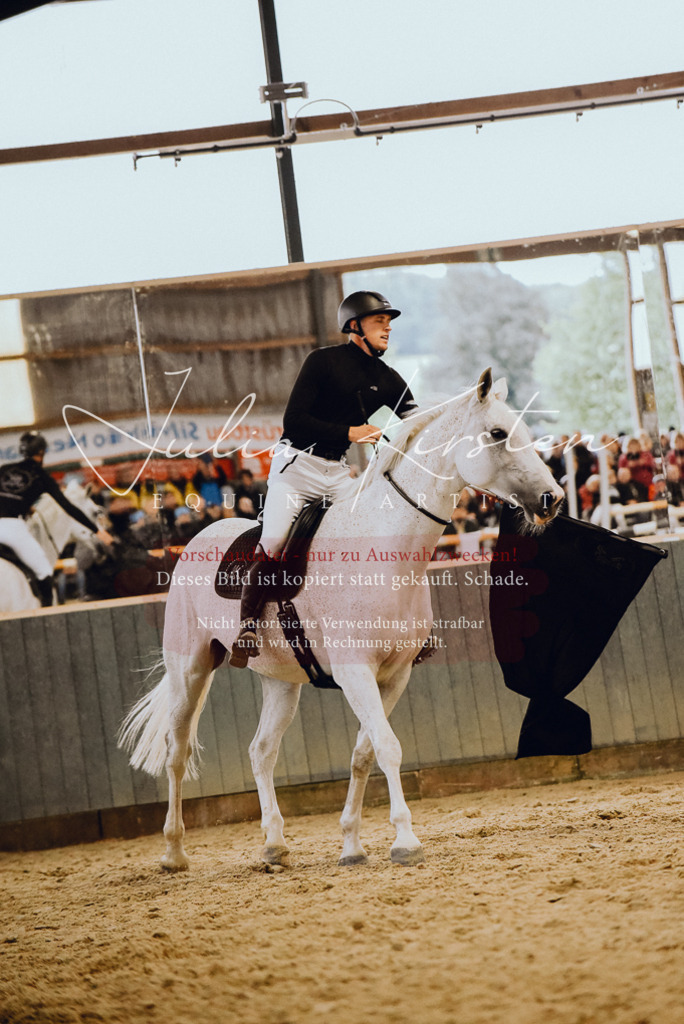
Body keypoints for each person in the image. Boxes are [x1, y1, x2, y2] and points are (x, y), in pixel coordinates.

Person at [229, 290, 418, 668]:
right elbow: (294, 422)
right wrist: (351, 432)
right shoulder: (323, 362)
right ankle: (247, 625)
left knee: (373, 534)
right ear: (354, 326)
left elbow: (417, 420)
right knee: (276, 539)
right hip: (296, 467)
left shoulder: (388, 377)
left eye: (389, 321)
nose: (388, 327)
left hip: (337, 473)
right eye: (379, 320)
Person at [0, 431, 113, 605]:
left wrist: (22, 505)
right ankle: (46, 616)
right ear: (41, 452)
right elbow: (68, 507)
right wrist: (98, 531)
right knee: (44, 571)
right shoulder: (42, 477)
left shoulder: (4, 469)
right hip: (12, 528)